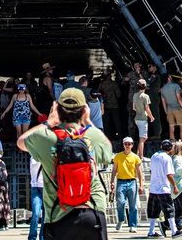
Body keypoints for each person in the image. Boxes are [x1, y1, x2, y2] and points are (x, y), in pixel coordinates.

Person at [19, 87, 113, 240]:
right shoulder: (92, 134)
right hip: (92, 212)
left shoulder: (46, 137)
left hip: (58, 215)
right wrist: (88, 121)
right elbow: (108, 152)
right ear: (84, 110)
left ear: (57, 109)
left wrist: (49, 122)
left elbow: (21, 142)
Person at [110, 137, 143, 233]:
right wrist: (112, 182)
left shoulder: (135, 157)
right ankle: (121, 219)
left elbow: (139, 172)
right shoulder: (118, 156)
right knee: (120, 202)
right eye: (126, 144)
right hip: (121, 182)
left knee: (133, 205)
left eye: (129, 144)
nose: (127, 146)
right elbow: (114, 170)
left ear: (132, 145)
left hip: (132, 181)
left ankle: (133, 225)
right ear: (123, 145)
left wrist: (141, 185)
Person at [147, 139, 178, 238]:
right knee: (169, 210)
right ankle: (174, 231)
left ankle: (151, 231)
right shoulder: (167, 158)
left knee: (153, 211)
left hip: (153, 188)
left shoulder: (154, 156)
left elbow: (151, 171)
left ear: (161, 147)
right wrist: (175, 186)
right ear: (170, 149)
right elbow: (169, 174)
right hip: (163, 189)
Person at [160, 75, 182, 141]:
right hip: (177, 108)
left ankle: (172, 145)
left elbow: (163, 102)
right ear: (169, 78)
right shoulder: (175, 86)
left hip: (169, 110)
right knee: (181, 126)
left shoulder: (163, 89)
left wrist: (166, 112)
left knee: (171, 128)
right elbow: (179, 98)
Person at [133, 80, 154, 159]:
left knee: (143, 138)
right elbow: (147, 109)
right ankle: (141, 157)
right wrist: (151, 117)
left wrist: (139, 111)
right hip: (143, 119)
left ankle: (138, 153)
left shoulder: (135, 95)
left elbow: (134, 108)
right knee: (142, 138)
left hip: (137, 118)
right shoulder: (145, 96)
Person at [28, 156, 44, 240]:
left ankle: (42, 235)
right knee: (35, 213)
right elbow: (34, 168)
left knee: (45, 214)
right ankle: (32, 236)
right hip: (35, 186)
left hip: (45, 186)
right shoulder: (33, 158)